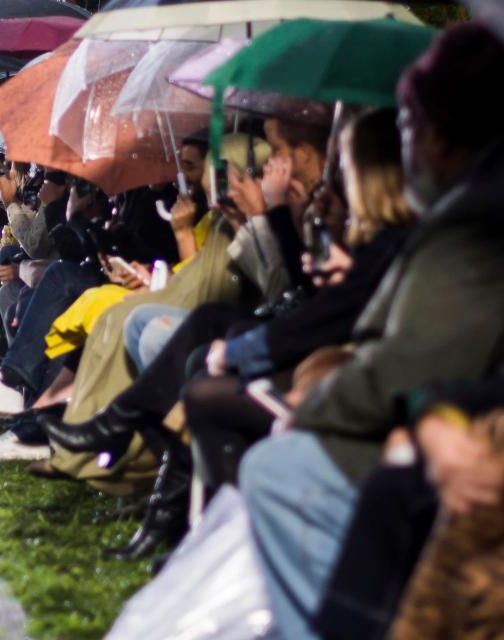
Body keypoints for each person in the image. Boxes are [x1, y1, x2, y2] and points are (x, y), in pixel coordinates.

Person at [239, 23, 504, 639]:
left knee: (274, 460)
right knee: (206, 357)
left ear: (435, 136)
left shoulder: (467, 221)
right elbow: (297, 301)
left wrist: (277, 220)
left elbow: (401, 358)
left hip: (418, 418)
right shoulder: (428, 218)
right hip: (414, 401)